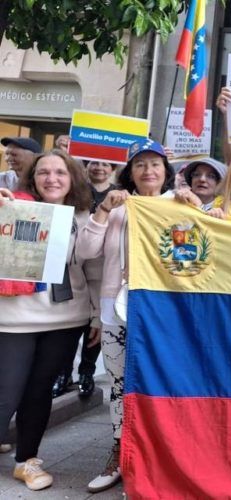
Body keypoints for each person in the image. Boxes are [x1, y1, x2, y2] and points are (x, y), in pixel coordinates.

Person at [76, 138, 175, 493]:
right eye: (140, 165)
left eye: (155, 164)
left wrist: (205, 212)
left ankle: (159, 455)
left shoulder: (179, 205)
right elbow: (85, 250)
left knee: (161, 383)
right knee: (119, 383)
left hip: (165, 314)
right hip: (116, 309)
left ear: (166, 170)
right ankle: (120, 451)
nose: (148, 171)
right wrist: (103, 211)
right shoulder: (117, 207)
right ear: (130, 172)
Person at [0, 150, 95, 491]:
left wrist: (97, 316)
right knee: (6, 391)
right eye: (43, 172)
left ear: (72, 178)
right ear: (33, 178)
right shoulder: (10, 206)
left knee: (39, 392)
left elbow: (92, 271)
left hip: (65, 320)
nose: (51, 178)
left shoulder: (86, 217)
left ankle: (27, 461)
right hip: (13, 319)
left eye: (59, 172)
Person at [52, 160, 118, 399]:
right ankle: (63, 374)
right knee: (67, 335)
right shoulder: (64, 204)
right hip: (61, 287)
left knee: (92, 332)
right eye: (93, 163)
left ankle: (86, 372)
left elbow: (92, 253)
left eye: (104, 164)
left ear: (113, 169)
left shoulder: (119, 197)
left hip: (94, 280)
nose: (99, 168)